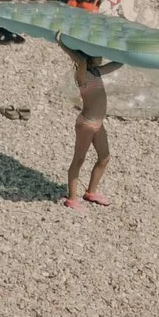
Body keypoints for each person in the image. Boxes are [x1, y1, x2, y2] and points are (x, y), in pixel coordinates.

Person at [64, 44, 114, 209]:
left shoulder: (96, 72)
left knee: (104, 157)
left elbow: (117, 64)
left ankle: (91, 192)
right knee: (78, 160)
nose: (101, 58)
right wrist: (62, 44)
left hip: (98, 124)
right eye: (99, 55)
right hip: (86, 124)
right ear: (90, 56)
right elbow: (80, 60)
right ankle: (72, 198)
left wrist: (129, 52)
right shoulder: (82, 75)